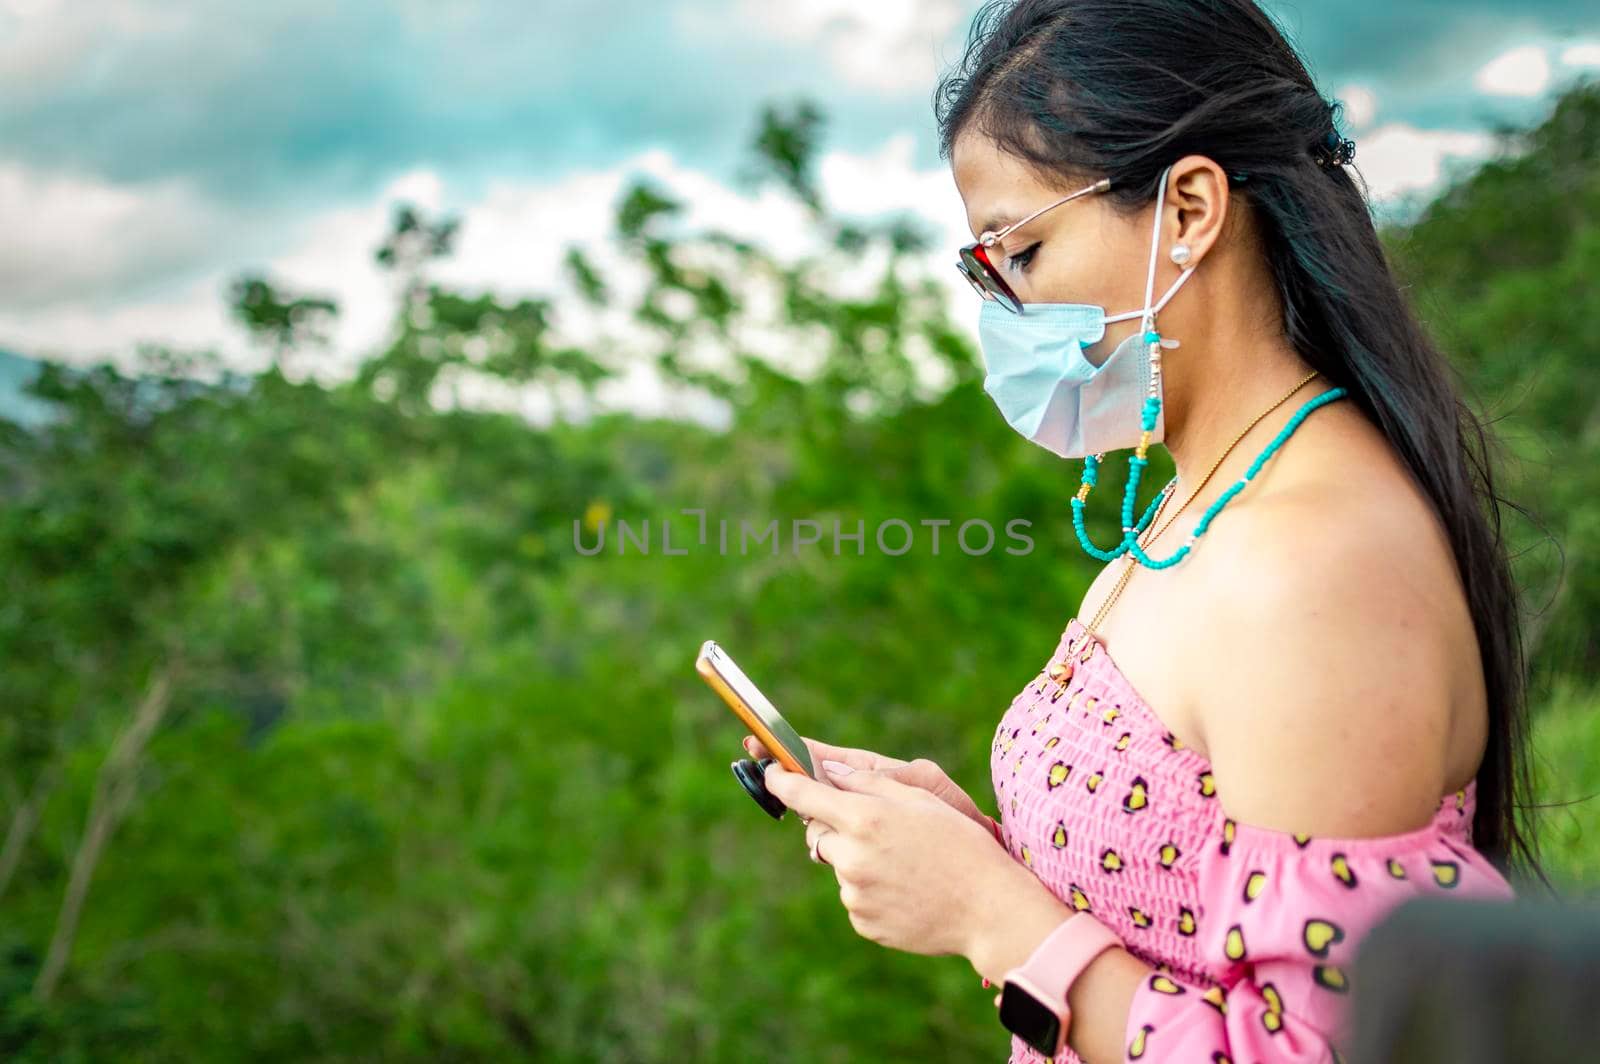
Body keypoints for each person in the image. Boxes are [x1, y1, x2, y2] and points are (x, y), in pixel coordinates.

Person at [746, 1, 1551, 1061]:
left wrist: (988, 914)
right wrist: (956, 843)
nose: (1006, 314)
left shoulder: (1314, 564)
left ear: (1189, 208)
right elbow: (1173, 908)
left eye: (1021, 251)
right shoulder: (1202, 492)